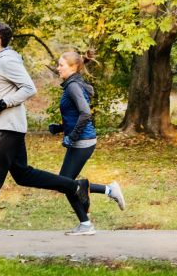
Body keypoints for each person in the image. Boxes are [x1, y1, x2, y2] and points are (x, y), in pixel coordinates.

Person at [0, 22, 91, 245]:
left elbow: (29, 88)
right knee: (24, 175)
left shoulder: (7, 59)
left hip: (8, 128)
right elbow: (0, 99)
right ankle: (75, 186)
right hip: (6, 126)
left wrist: (4, 102)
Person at [47, 50, 126, 235]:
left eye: (61, 65)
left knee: (64, 183)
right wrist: (60, 129)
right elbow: (76, 115)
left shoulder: (73, 86)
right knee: (65, 182)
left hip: (83, 141)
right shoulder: (73, 84)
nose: (58, 68)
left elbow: (85, 114)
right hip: (82, 139)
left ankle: (91, 217)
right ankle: (101, 201)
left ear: (73, 67)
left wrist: (71, 137)